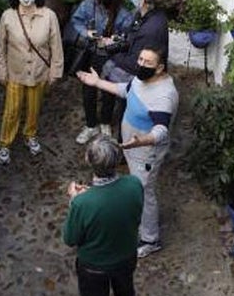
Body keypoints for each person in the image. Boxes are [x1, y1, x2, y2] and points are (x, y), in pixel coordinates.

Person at [76, 46, 178, 258]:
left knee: (144, 192)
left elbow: (161, 130)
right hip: (132, 147)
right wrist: (97, 83)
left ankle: (150, 239)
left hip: (145, 152)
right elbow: (127, 90)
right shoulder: (141, 79)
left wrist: (142, 140)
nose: (140, 64)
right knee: (137, 186)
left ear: (159, 68)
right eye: (140, 59)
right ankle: (139, 222)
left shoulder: (164, 95)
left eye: (147, 62)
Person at [62, 137, 144, 296]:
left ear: (90, 162)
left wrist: (74, 201)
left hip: (94, 268)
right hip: (125, 258)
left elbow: (70, 238)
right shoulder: (134, 184)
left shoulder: (82, 203)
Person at [0, 0, 64, 165]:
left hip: (39, 72)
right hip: (15, 72)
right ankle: (4, 143)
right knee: (12, 110)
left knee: (34, 108)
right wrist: (1, 71)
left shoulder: (49, 15)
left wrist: (55, 71)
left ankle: (30, 135)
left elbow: (56, 46)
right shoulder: (8, 15)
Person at [65, 0, 133, 145]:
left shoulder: (123, 12)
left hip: (111, 57)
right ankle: (90, 125)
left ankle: (105, 122)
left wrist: (114, 40)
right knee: (88, 91)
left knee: (109, 91)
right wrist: (86, 32)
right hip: (90, 53)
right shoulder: (89, 4)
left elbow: (127, 36)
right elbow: (76, 20)